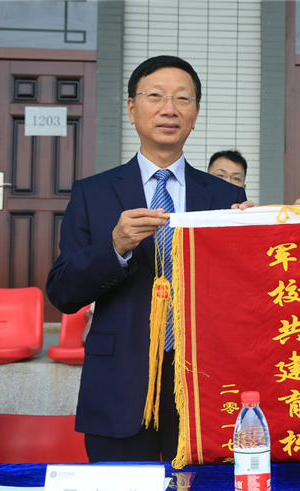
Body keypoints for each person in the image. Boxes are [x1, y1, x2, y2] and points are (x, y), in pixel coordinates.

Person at [46, 55, 249, 463]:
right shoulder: (92, 193)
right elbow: (64, 292)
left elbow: (246, 295)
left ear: (195, 114)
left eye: (182, 99)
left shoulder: (226, 198)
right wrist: (115, 246)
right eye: (155, 96)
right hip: (119, 383)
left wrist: (250, 242)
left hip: (204, 386)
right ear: (132, 108)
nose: (169, 109)